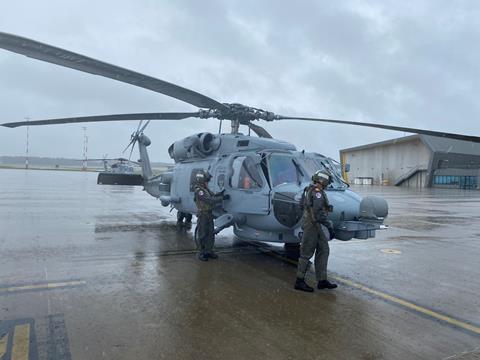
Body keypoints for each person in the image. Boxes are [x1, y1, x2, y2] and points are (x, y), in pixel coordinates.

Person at [294, 169, 338, 292]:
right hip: (312, 225)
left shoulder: (310, 190)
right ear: (322, 180)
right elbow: (318, 213)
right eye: (327, 182)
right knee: (306, 253)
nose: (328, 184)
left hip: (315, 225)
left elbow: (302, 206)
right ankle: (299, 280)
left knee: (324, 249)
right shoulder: (316, 192)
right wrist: (329, 226)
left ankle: (322, 280)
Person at [194, 170, 228, 261]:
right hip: (203, 215)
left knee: (210, 233)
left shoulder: (206, 189)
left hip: (209, 214)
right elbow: (210, 200)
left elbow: (213, 195)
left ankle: (209, 251)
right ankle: (201, 252)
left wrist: (221, 193)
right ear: (202, 181)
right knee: (202, 234)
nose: (207, 182)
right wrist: (222, 198)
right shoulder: (199, 191)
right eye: (206, 180)